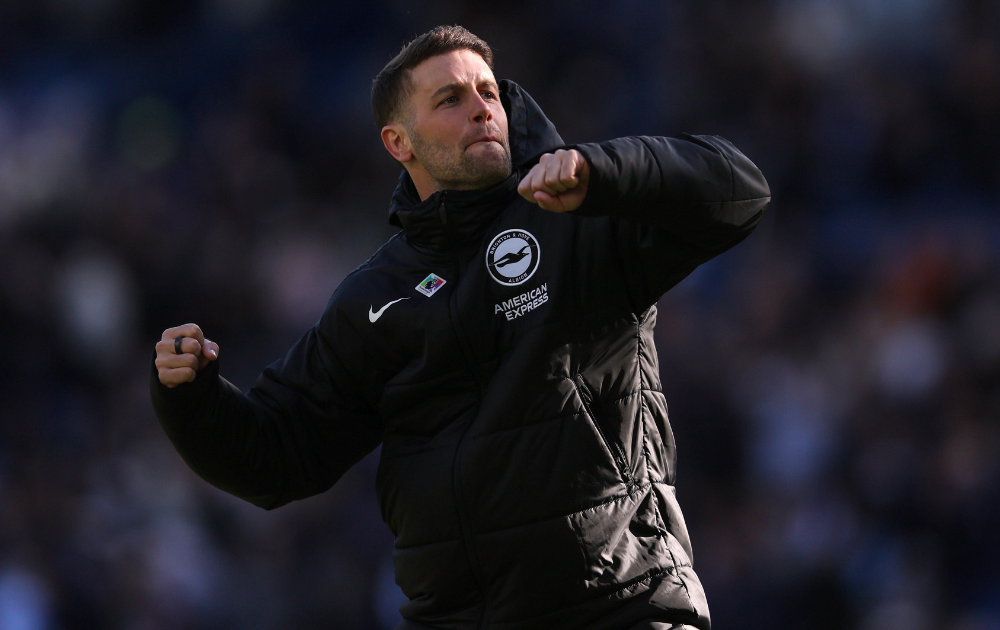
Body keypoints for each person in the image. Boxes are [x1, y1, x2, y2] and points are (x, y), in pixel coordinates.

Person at [151, 25, 770, 630]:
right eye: (450, 99)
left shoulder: (581, 212)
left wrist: (605, 171)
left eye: (488, 92)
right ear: (399, 142)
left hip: (623, 603)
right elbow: (274, 459)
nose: (480, 108)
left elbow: (740, 192)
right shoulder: (373, 298)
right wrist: (190, 397)